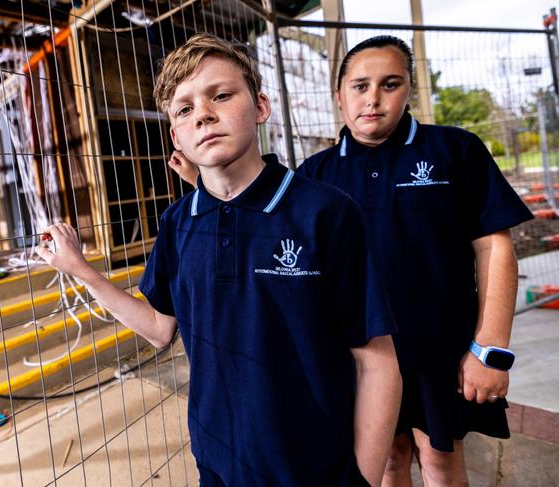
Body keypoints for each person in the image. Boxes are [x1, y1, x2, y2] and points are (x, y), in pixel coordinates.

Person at [37, 33, 402, 487]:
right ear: (176, 135)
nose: (203, 114)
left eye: (221, 95)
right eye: (185, 109)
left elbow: (377, 362)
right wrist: (80, 270)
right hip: (218, 462)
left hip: (315, 467)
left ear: (261, 106)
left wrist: (362, 481)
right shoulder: (178, 223)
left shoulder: (324, 212)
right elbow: (157, 328)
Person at [169, 35, 533, 486]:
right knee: (387, 461)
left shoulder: (453, 151)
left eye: (390, 84)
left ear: (410, 90)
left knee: (439, 459)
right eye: (359, 86)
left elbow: (493, 247)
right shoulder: (315, 175)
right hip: (356, 355)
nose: (373, 99)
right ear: (339, 96)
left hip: (436, 349)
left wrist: (490, 348)